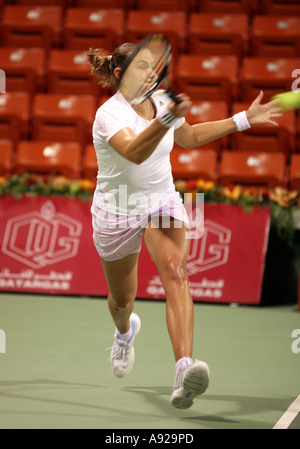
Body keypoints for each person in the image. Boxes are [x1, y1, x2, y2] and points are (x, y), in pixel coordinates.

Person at [87, 42, 282, 409]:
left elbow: (188, 138)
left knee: (176, 272)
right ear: (119, 75)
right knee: (122, 300)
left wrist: (243, 119)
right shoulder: (108, 115)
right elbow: (135, 152)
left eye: (153, 67)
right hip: (117, 209)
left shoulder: (162, 101)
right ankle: (124, 333)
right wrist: (165, 118)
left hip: (161, 199)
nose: (151, 73)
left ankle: (183, 372)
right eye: (142, 67)